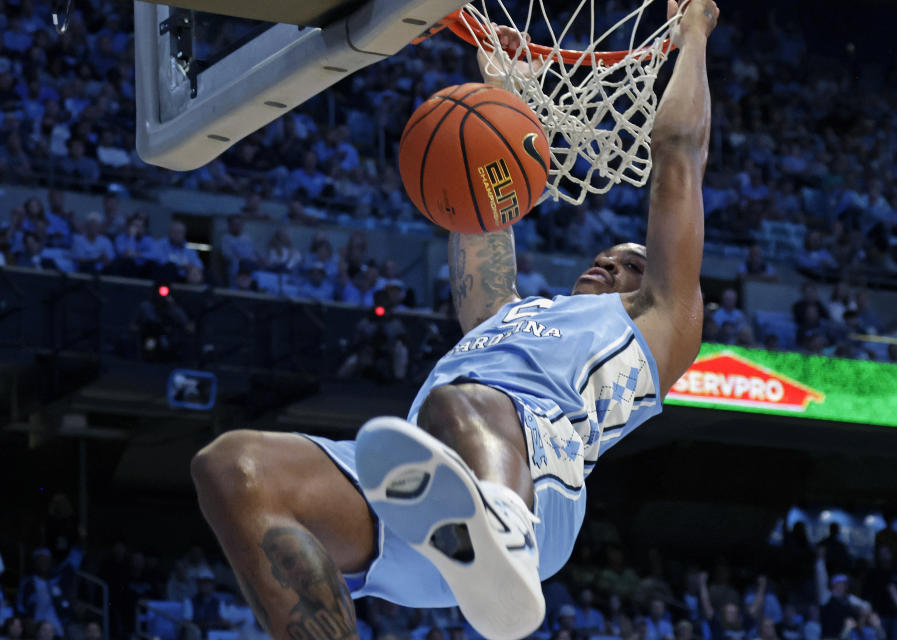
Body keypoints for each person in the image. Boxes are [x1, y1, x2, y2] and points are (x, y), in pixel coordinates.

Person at [190, 3, 717, 639]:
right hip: (422, 495)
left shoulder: (662, 323)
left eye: (628, 265)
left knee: (458, 403)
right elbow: (480, 204)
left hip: (535, 486)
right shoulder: (506, 313)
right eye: (602, 257)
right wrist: (498, 87)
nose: (607, 263)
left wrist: (692, 38)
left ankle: (502, 532)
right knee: (232, 466)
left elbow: (679, 154)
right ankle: (461, 542)